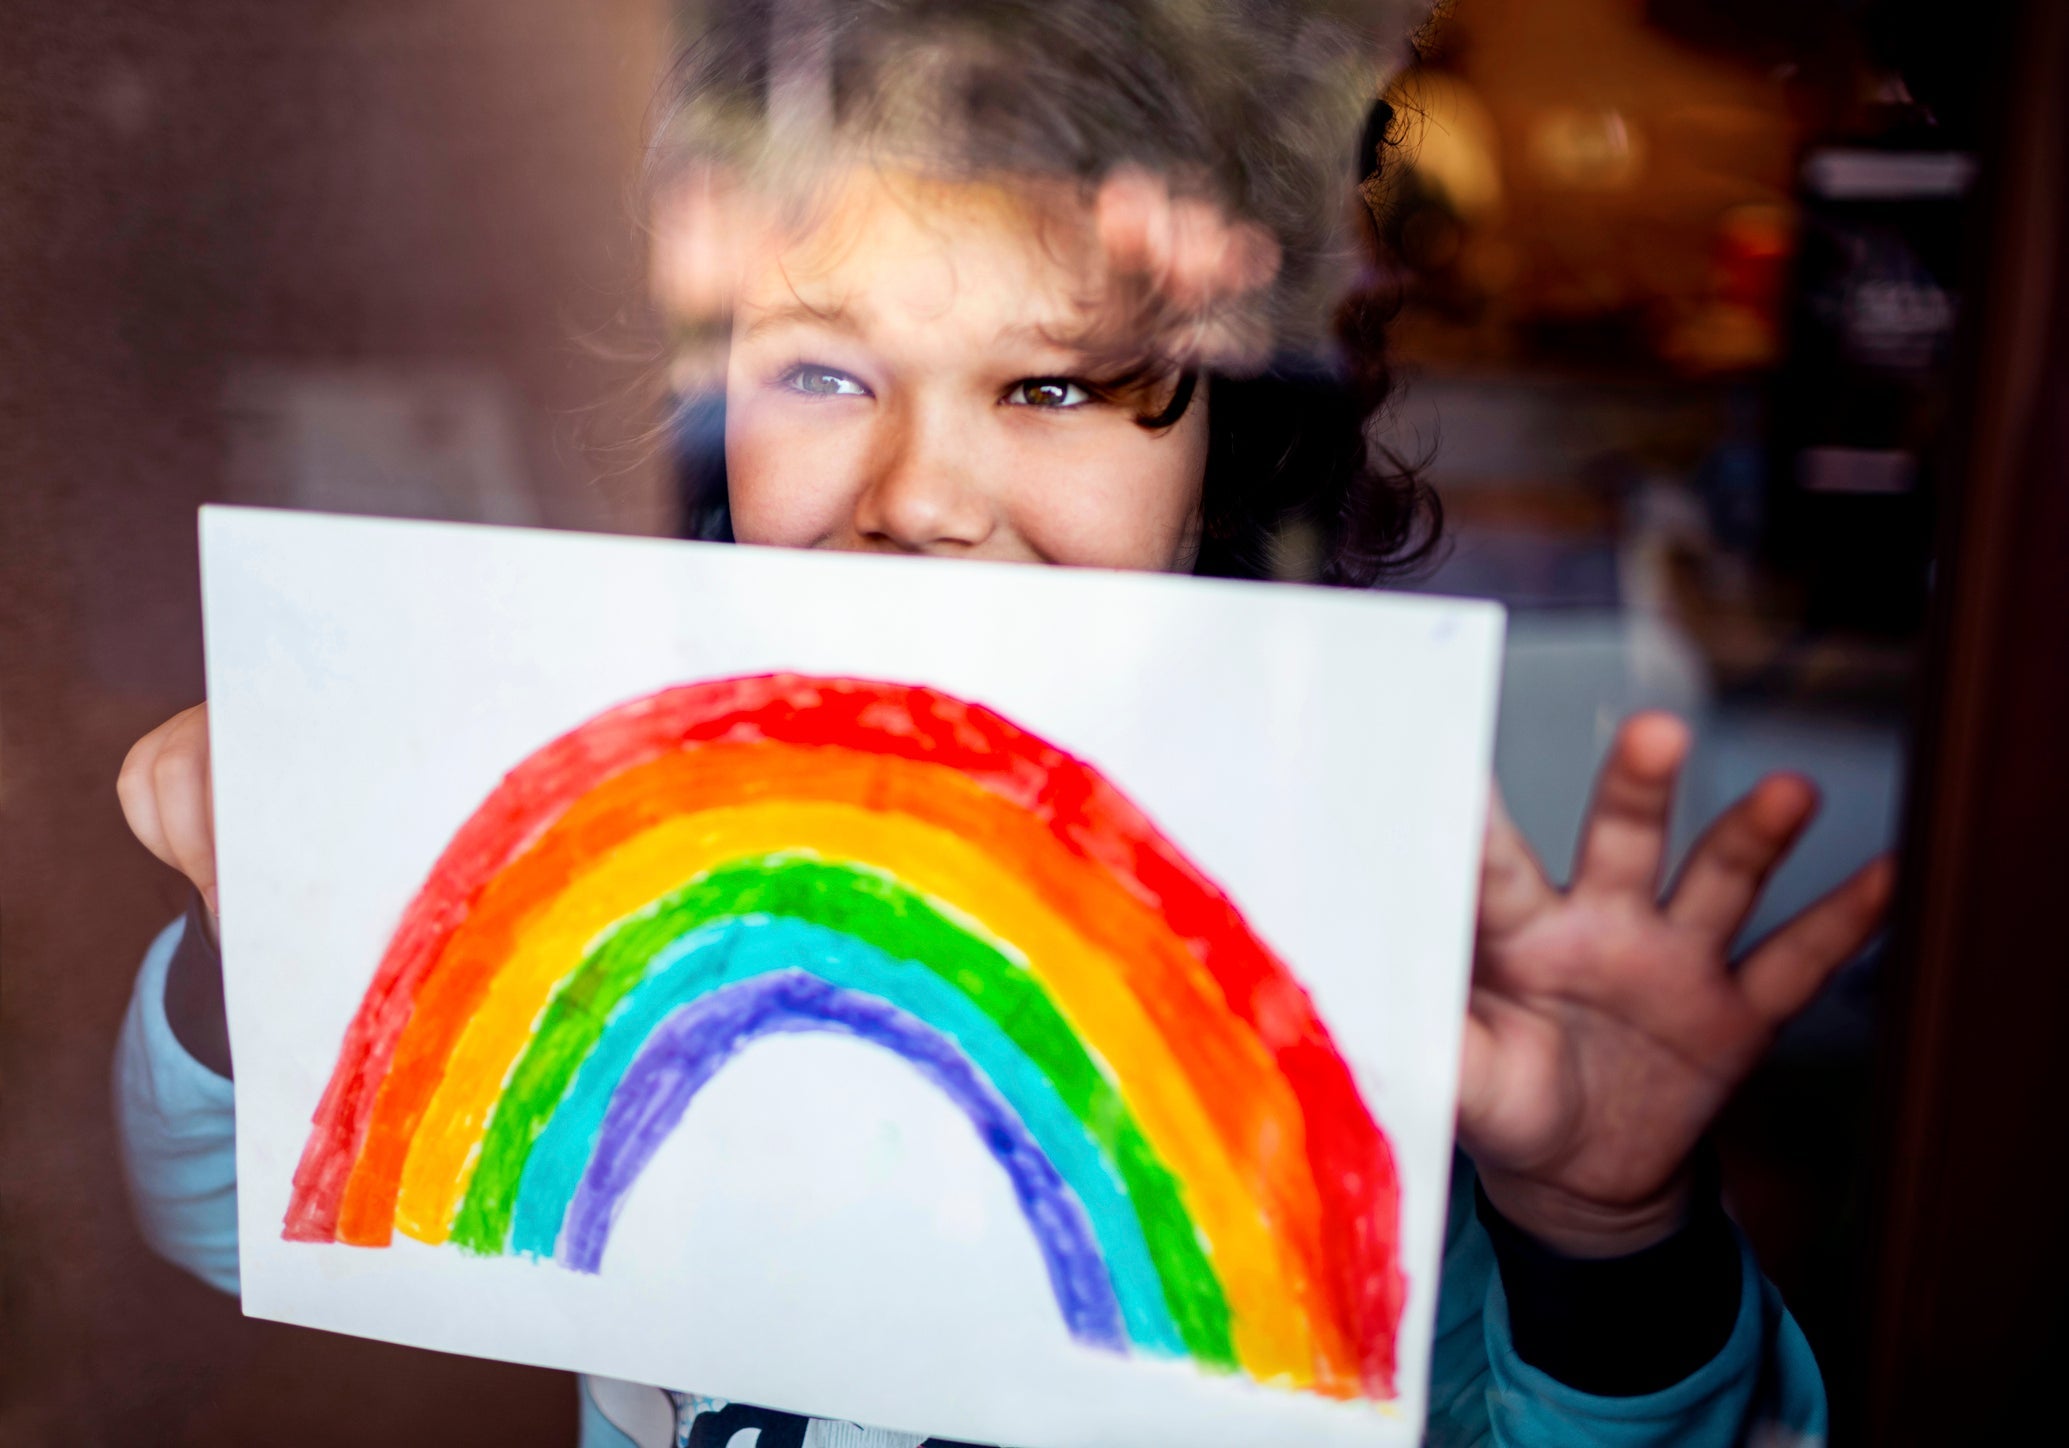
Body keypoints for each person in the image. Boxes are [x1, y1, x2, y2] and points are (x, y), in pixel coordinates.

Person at [113, 3, 1891, 1444]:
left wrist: (1603, 1240)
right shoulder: (645, 838)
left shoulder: (1329, 935)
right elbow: (230, 1213)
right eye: (822, 371)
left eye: (1050, 383)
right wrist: (253, 942)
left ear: (1237, 445)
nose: (922, 496)